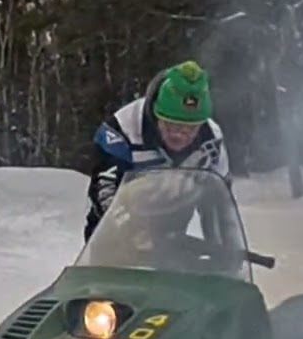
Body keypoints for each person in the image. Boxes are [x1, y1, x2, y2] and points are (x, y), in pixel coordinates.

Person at [77, 60, 230, 243]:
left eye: (190, 129)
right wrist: (129, 231)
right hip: (112, 236)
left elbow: (220, 203)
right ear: (156, 116)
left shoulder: (211, 139)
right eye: (171, 126)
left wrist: (225, 252)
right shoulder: (122, 130)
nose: (180, 136)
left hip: (170, 237)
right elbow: (104, 191)